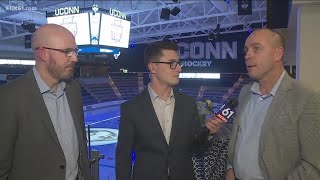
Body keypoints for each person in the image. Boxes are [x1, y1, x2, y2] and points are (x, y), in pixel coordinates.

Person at [116, 41, 223, 180]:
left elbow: (196, 148)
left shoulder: (188, 104)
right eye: (172, 63)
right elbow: (123, 157)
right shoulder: (131, 108)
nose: (178, 69)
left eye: (179, 63)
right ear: (153, 67)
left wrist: (208, 132)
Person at [0, 24, 91, 180]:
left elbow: (81, 140)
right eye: (67, 52)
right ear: (43, 53)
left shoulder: (73, 89)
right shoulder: (8, 97)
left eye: (75, 52)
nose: (75, 58)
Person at [227, 28, 320, 180]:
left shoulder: (306, 97)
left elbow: (313, 165)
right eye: (246, 50)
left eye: (256, 48)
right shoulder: (245, 92)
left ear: (278, 54)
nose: (247, 55)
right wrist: (230, 168)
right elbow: (237, 139)